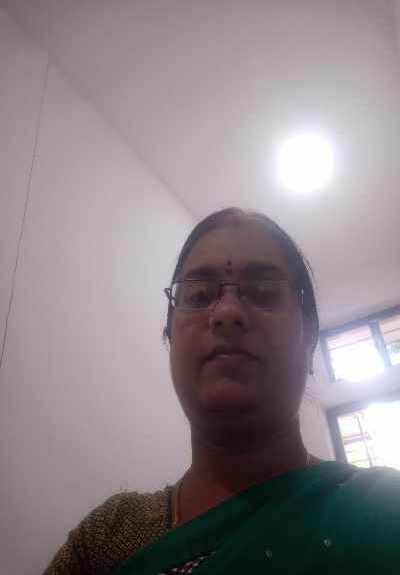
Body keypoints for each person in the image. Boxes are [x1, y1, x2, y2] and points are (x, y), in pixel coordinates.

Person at [44, 208, 400, 575]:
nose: (227, 312)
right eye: (199, 295)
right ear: (170, 336)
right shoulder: (108, 537)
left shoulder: (385, 512)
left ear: (310, 336)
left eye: (264, 292)